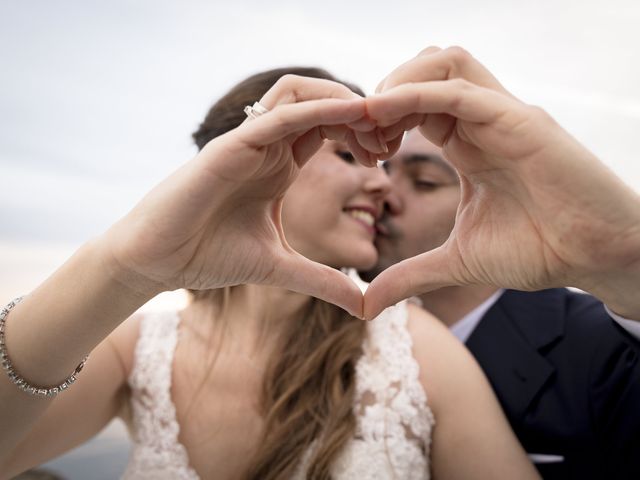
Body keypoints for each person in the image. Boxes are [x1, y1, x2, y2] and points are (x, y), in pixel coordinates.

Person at [0, 67, 539, 479]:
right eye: (349, 156)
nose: (384, 187)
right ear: (252, 165)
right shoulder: (139, 349)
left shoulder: (415, 350)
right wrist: (127, 267)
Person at [359, 46, 640, 479]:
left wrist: (630, 262)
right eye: (383, 171)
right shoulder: (347, 341)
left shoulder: (600, 344)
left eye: (424, 181)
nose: (383, 194)